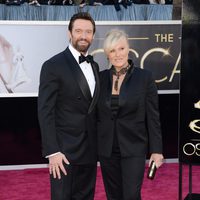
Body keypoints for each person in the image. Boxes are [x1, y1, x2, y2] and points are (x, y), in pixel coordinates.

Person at [38, 12, 100, 200]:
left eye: (88, 32)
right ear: (69, 33)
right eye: (79, 30)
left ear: (93, 36)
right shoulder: (53, 65)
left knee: (86, 196)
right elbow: (45, 111)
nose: (83, 36)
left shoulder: (95, 66)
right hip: (64, 152)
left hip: (89, 150)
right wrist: (53, 151)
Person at [97, 29, 164, 200]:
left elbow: (153, 117)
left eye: (121, 48)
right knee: (113, 195)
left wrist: (156, 150)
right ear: (107, 54)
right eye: (112, 50)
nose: (117, 54)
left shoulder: (144, 78)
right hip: (107, 149)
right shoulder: (100, 78)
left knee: (131, 195)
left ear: (128, 49)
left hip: (134, 147)